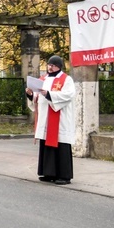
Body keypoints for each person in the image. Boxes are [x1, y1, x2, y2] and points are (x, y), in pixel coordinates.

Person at [26, 55, 75, 185]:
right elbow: (37, 97)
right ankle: (48, 173)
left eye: (52, 65)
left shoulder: (66, 79)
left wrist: (49, 94)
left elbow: (68, 95)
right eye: (48, 64)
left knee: (61, 146)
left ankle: (64, 176)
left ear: (59, 66)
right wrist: (31, 95)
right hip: (45, 119)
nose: (50, 67)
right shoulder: (43, 79)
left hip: (60, 119)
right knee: (46, 146)